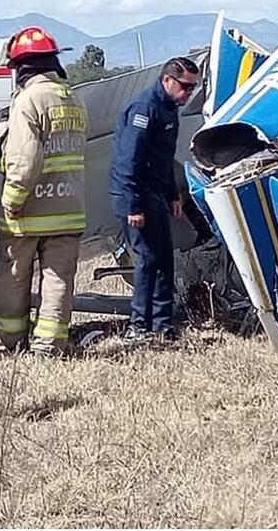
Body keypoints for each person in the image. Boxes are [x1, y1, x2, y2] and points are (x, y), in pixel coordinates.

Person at [0, 26, 87, 357]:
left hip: (30, 212)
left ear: (22, 67)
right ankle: (48, 346)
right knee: (59, 282)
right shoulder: (72, 98)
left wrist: (12, 201)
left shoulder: (29, 100)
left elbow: (24, 158)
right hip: (68, 210)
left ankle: (10, 343)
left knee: (13, 279)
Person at [109, 56, 200, 344]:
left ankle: (162, 324)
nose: (188, 94)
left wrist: (173, 194)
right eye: (184, 86)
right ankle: (139, 325)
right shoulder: (144, 108)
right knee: (146, 259)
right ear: (167, 80)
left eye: (192, 88)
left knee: (163, 258)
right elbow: (128, 161)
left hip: (157, 194)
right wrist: (133, 205)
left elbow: (163, 158)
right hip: (135, 194)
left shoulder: (170, 108)